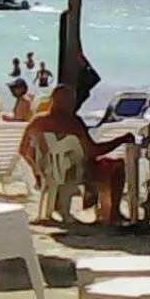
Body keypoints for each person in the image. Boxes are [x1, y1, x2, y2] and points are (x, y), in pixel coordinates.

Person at [18, 84, 135, 224]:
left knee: (101, 165)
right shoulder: (73, 123)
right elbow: (93, 151)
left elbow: (23, 150)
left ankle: (101, 209)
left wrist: (37, 170)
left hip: (48, 172)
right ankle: (112, 212)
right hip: (75, 172)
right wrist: (120, 140)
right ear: (69, 103)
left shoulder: (37, 121)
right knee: (116, 165)